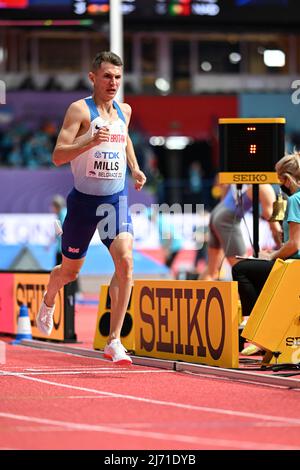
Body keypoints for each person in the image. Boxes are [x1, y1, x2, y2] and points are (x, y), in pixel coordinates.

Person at [36, 51, 146, 364]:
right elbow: (58, 155)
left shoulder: (125, 110)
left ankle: (114, 340)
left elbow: (124, 140)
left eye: (118, 77)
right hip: (83, 203)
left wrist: (135, 168)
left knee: (125, 261)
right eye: (108, 76)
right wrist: (89, 141)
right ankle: (49, 297)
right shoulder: (79, 110)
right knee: (69, 272)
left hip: (114, 200)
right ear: (93, 77)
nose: (113, 83)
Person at [232, 151, 300, 352]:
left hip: (294, 266)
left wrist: (270, 255)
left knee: (241, 269)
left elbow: (295, 244)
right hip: (292, 263)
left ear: (287, 179)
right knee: (259, 269)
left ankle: (255, 327)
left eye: (280, 180)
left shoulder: (295, 200)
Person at [200, 183, 282, 280]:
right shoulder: (265, 187)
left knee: (211, 271)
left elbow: (226, 187)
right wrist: (282, 247)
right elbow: (272, 222)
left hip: (217, 212)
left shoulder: (249, 177)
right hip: (226, 220)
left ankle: (196, 295)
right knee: (244, 273)